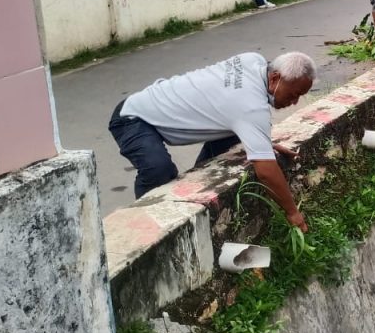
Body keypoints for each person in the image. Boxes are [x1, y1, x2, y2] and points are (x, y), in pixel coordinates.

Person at [108, 52, 316, 231]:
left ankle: (201, 185)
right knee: (159, 170)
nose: (294, 101)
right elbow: (265, 170)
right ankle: (146, 222)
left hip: (154, 106)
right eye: (294, 94)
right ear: (274, 78)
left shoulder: (253, 60)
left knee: (233, 134)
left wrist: (263, 144)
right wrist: (292, 212)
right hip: (133, 117)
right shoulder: (250, 106)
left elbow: (236, 107)